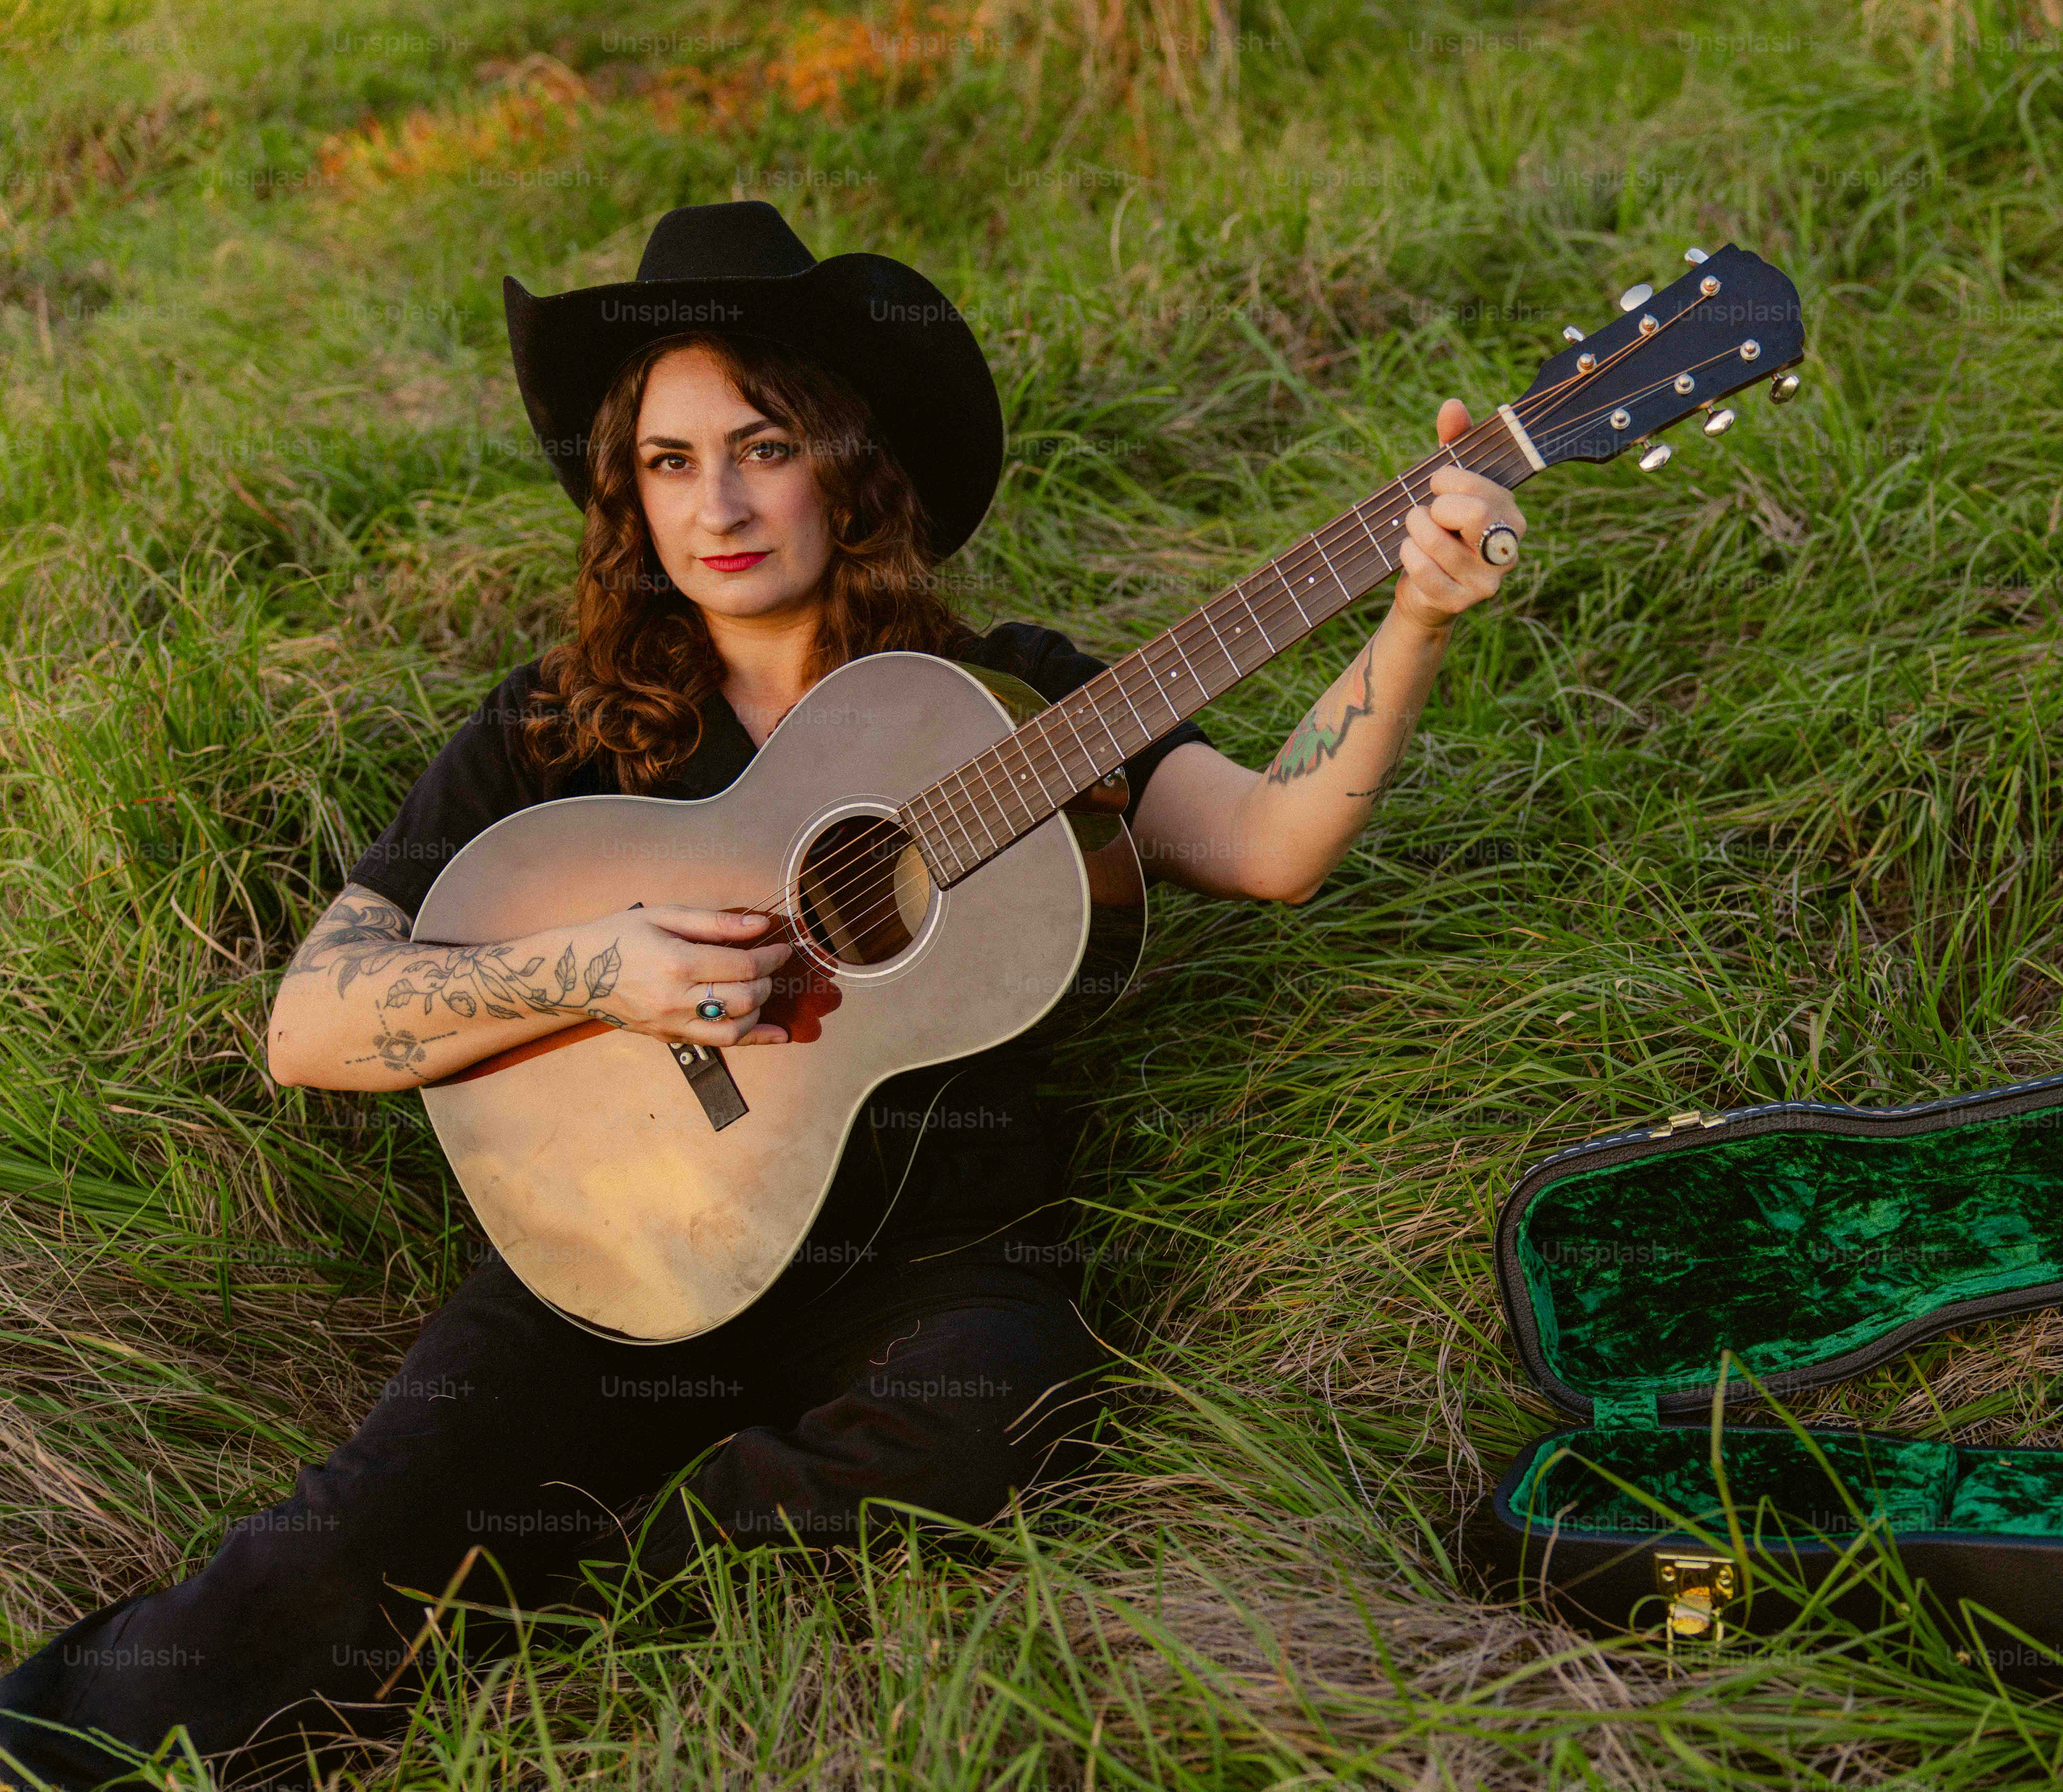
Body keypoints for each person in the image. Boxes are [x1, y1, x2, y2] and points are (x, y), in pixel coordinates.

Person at [0, 200, 1528, 1790]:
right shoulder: (553, 735)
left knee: (991, 1435)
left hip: (934, 1269)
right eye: (668, 462)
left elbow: (1269, 841)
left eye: (762, 444)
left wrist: (1411, 616)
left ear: (847, 462)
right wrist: (600, 965)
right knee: (349, 1541)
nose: (716, 504)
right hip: (621, 1240)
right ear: (625, 493)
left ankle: (615, 1562)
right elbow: (311, 1021)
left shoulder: (994, 701)